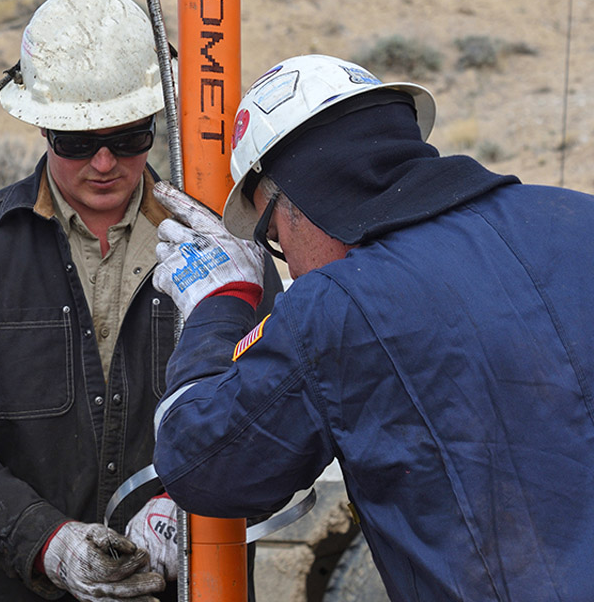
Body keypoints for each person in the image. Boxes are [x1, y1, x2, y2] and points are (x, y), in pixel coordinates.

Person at [151, 54, 594, 602]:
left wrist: (220, 302)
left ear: (302, 203)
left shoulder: (338, 306)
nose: (283, 260)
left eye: (269, 234)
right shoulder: (579, 220)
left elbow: (204, 462)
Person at [0, 0, 282, 602]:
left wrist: (184, 509)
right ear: (42, 127)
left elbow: (280, 413)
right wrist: (50, 543)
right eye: (77, 142)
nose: (104, 163)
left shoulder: (228, 258)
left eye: (128, 137)